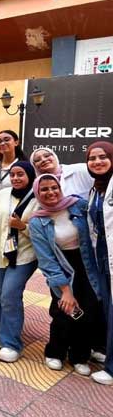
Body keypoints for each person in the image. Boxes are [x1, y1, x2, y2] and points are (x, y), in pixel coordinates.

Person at [29, 174, 101, 376]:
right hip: (62, 268)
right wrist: (65, 290)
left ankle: (80, 355)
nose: (50, 192)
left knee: (87, 311)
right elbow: (47, 260)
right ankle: (56, 352)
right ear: (37, 193)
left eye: (54, 187)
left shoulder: (78, 206)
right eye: (44, 189)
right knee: (64, 310)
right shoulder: (37, 221)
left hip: (87, 264)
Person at [0, 161, 39, 362]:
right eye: (12, 174)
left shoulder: (37, 197)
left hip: (24, 255)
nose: (15, 178)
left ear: (30, 176)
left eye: (20, 174)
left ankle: (12, 343)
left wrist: (22, 226)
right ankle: (3, 331)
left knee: (10, 295)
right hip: (0, 251)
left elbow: (43, 231)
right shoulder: (4, 193)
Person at [85, 141, 113, 385]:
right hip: (102, 257)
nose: (97, 162)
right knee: (107, 308)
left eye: (103, 156)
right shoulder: (96, 188)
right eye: (92, 158)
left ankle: (111, 368)